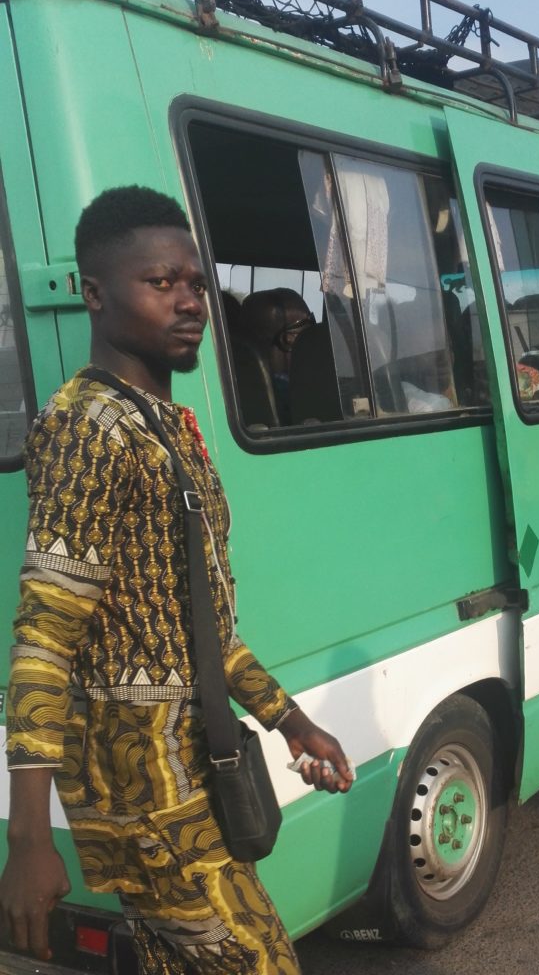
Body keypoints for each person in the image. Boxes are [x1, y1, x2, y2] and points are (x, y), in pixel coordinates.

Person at [0, 186, 352, 974]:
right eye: (161, 283)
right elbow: (45, 635)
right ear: (96, 293)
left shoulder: (163, 423)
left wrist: (288, 719)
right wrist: (27, 838)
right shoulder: (87, 425)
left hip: (194, 770)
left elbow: (197, 627)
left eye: (195, 282)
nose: (189, 300)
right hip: (140, 790)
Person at [241, 288, 315, 425]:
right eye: (305, 327)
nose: (312, 339)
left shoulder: (234, 390)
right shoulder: (294, 394)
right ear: (287, 339)